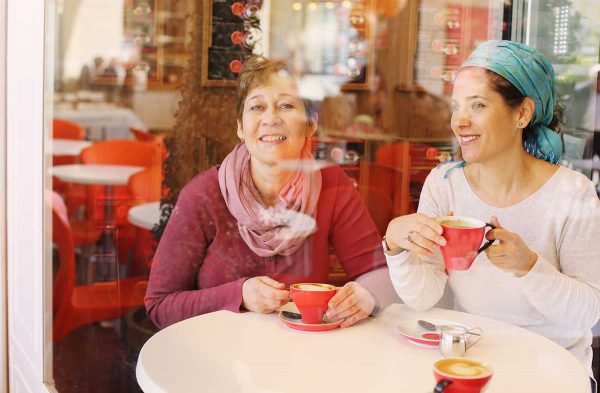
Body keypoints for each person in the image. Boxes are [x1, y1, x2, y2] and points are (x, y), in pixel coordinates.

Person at [383, 40, 600, 387]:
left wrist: (528, 267)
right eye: (456, 107)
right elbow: (423, 297)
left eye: (478, 105)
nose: (460, 121)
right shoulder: (444, 183)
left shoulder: (573, 193)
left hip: (553, 371)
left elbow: (589, 311)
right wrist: (395, 245)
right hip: (471, 364)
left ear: (522, 113)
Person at [145, 56, 394, 329]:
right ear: (240, 127)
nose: (271, 118)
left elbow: (378, 275)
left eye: (286, 105)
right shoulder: (203, 193)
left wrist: (366, 296)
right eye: (257, 107)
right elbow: (160, 305)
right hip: (218, 356)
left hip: (300, 356)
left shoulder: (331, 184)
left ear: (310, 125)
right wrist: (237, 294)